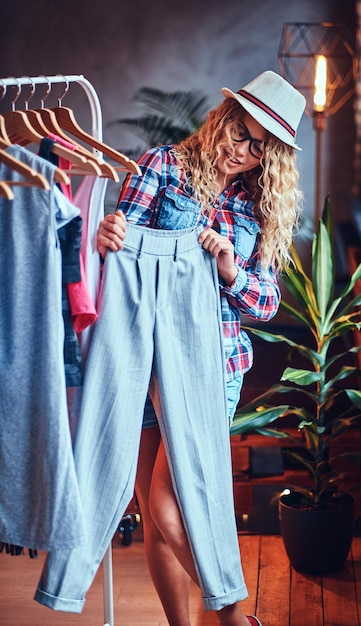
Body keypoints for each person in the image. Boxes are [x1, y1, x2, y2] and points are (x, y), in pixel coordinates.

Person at [97, 70, 306, 626]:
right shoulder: (162, 167)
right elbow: (118, 257)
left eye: (258, 148)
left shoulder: (256, 206)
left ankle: (235, 617)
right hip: (142, 358)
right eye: (239, 132)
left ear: (270, 159)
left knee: (171, 504)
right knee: (151, 510)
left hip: (212, 363)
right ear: (222, 118)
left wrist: (230, 270)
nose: (242, 151)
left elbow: (263, 305)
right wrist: (106, 237)